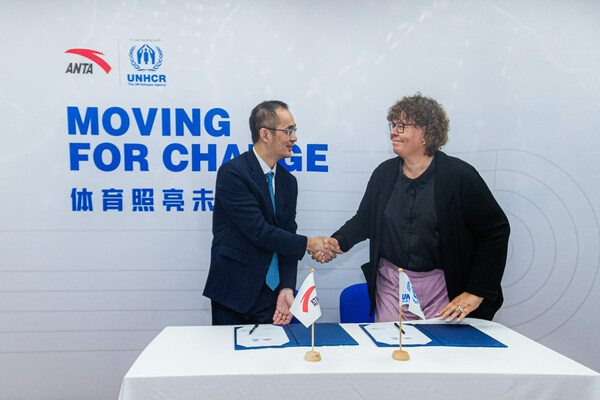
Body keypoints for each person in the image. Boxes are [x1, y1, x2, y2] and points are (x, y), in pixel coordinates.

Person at [326, 93, 510, 322]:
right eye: (393, 125)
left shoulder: (459, 176)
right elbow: (365, 220)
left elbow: (495, 231)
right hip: (393, 284)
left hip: (444, 287)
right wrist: (338, 241)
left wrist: (476, 292)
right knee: (393, 349)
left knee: (439, 355)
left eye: (401, 126)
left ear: (426, 131)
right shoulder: (384, 174)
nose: (393, 131)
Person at [203, 100, 341, 326]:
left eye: (294, 130)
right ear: (265, 134)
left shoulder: (289, 182)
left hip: (273, 297)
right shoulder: (232, 174)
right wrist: (310, 243)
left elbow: (287, 235)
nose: (294, 137)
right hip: (234, 293)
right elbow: (259, 231)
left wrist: (287, 286)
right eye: (288, 131)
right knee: (230, 361)